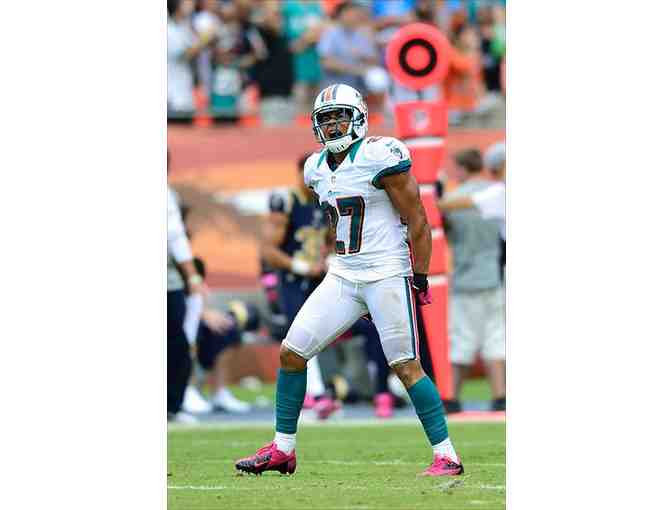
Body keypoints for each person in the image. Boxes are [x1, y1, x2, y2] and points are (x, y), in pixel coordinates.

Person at [235, 83, 463, 477]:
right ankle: (282, 449)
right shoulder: (315, 167)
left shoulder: (380, 155)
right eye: (326, 119)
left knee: (406, 365)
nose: (333, 125)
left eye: (340, 116)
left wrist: (420, 278)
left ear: (358, 117)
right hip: (343, 272)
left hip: (386, 272)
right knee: (292, 353)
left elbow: (418, 219)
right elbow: (336, 221)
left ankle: (447, 456)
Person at [259, 153, 340, 419]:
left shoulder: (325, 199)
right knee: (301, 335)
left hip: (318, 279)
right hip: (291, 279)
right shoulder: (286, 201)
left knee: (320, 334)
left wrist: (329, 259)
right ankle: (315, 394)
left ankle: (320, 391)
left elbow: (333, 239)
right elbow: (268, 251)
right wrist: (302, 266)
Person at [437, 148, 505, 413]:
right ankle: (500, 396)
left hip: (465, 276)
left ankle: (452, 397)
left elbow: (445, 229)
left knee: (461, 339)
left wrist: (434, 193)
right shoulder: (496, 191)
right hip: (494, 275)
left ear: (462, 168)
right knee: (495, 339)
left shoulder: (456, 198)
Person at [167, 151, 208, 423]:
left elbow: (176, 237)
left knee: (177, 344)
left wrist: (192, 278)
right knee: (176, 344)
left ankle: (172, 406)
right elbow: (176, 237)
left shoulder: (166, 194)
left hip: (168, 279)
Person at [167, 0, 216, 119]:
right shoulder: (169, 30)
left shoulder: (185, 26)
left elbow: (198, 45)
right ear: (177, 7)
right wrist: (206, 38)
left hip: (185, 89)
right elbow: (185, 54)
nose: (191, 5)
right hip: (173, 92)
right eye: (185, 3)